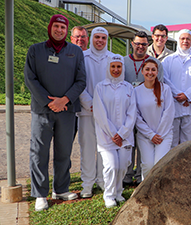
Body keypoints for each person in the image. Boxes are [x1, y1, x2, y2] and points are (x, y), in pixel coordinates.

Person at [24, 14, 86, 211]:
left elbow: (81, 81)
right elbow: (30, 79)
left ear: (67, 31)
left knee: (64, 151)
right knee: (39, 152)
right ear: (50, 27)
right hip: (42, 110)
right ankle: (40, 194)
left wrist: (65, 100)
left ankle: (60, 189)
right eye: (56, 26)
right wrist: (49, 102)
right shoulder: (35, 50)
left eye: (63, 27)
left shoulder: (75, 52)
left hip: (67, 110)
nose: (59, 30)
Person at [93, 54, 137, 208]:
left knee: (124, 164)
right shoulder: (100, 87)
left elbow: (132, 113)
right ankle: (109, 195)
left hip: (125, 136)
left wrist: (122, 133)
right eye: (113, 66)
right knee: (112, 165)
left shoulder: (128, 87)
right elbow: (100, 114)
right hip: (107, 136)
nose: (116, 69)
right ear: (108, 68)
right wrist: (114, 134)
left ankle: (118, 191)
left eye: (119, 66)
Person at [78, 27, 114, 198]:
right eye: (97, 37)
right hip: (87, 111)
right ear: (91, 38)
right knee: (87, 147)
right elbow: (78, 82)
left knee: (104, 147)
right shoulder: (82, 57)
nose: (100, 41)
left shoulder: (113, 58)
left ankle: (102, 180)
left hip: (107, 113)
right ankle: (87, 183)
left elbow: (115, 84)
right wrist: (90, 103)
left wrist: (103, 106)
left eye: (103, 38)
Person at [123, 31, 162, 186]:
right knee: (128, 143)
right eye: (137, 43)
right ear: (132, 44)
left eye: (144, 44)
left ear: (148, 45)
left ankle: (141, 176)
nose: (140, 47)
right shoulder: (124, 61)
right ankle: (126, 175)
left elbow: (160, 85)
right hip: (127, 110)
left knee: (143, 143)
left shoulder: (155, 63)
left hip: (146, 111)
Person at [163, 29, 191, 146]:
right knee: (172, 142)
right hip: (173, 106)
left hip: (190, 107)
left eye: (188, 39)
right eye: (182, 38)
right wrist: (179, 96)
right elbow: (165, 80)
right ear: (178, 40)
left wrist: (187, 96)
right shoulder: (168, 60)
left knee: (188, 143)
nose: (185, 41)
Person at [134, 59, 174, 180]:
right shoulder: (136, 91)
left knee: (159, 164)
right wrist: (151, 135)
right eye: (147, 69)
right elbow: (136, 116)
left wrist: (159, 134)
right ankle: (145, 191)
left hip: (164, 134)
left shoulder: (165, 89)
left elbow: (169, 112)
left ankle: (159, 191)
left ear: (157, 72)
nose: (150, 72)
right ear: (142, 71)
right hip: (145, 135)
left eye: (153, 69)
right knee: (147, 165)